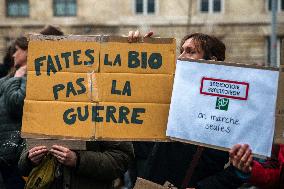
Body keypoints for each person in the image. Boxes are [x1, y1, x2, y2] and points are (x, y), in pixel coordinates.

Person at [128, 31, 241, 189]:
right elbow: (139, 146)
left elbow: (240, 171)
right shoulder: (168, 95)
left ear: (211, 62)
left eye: (190, 51)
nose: (180, 58)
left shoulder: (225, 109)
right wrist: (136, 52)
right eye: (181, 51)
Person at [0, 36, 28, 189]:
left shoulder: (29, 76)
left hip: (15, 154)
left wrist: (18, 76)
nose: (13, 55)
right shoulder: (14, 76)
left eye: (17, 50)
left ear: (28, 51)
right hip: (5, 153)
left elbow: (15, 103)